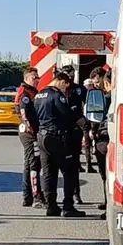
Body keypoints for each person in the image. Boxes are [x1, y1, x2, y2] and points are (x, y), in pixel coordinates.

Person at [34, 69, 85, 218]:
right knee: (70, 171)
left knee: (49, 173)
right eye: (65, 87)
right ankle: (68, 206)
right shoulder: (57, 95)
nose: (65, 90)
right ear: (62, 82)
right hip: (57, 137)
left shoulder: (39, 94)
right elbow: (67, 115)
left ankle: (51, 206)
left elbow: (33, 115)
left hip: (42, 137)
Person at [15, 67, 46, 209]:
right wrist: (32, 130)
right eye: (34, 78)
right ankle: (36, 197)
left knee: (29, 164)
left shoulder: (32, 92)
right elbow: (24, 113)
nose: (37, 80)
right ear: (27, 78)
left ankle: (27, 196)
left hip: (30, 131)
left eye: (38, 78)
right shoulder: (25, 93)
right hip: (29, 132)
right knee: (34, 163)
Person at [59, 64, 87, 205]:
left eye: (72, 74)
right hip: (59, 132)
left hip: (75, 131)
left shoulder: (79, 89)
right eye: (67, 74)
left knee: (74, 165)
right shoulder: (56, 91)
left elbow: (88, 106)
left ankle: (75, 194)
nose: (70, 76)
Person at [88, 67, 113, 219]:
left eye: (100, 82)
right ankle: (107, 203)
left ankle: (108, 207)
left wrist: (92, 132)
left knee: (106, 175)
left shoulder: (104, 98)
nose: (98, 85)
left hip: (103, 139)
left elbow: (95, 119)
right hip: (109, 139)